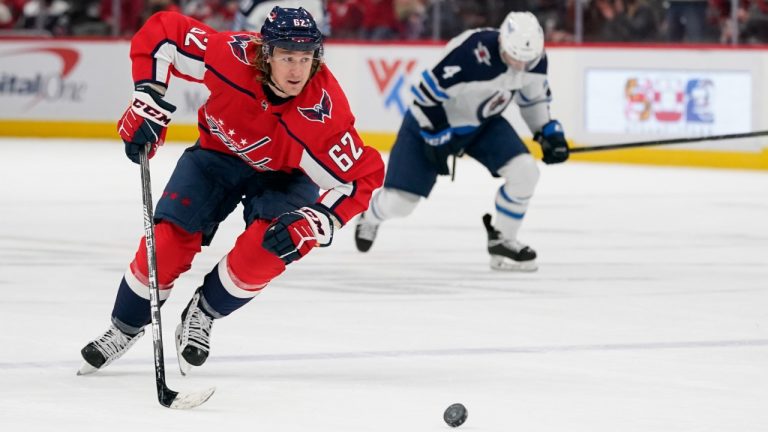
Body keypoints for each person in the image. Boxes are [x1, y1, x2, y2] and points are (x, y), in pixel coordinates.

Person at [78, 6, 384, 375]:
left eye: (306, 58)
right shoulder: (231, 55)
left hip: (285, 178)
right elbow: (163, 33)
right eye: (287, 57)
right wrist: (148, 96)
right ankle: (124, 328)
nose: (297, 70)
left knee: (271, 250)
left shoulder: (324, 113)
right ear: (265, 54)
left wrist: (317, 219)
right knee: (166, 245)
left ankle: (203, 313)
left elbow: (361, 177)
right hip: (216, 157)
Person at [353, 11, 569, 272]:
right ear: (502, 44)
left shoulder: (534, 59)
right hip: (429, 123)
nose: (521, 67)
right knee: (401, 204)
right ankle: (370, 216)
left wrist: (547, 132)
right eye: (516, 59)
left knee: (525, 172)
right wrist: (436, 134)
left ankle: (503, 239)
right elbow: (425, 98)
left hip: (482, 124)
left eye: (528, 60)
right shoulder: (470, 53)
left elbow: (533, 99)